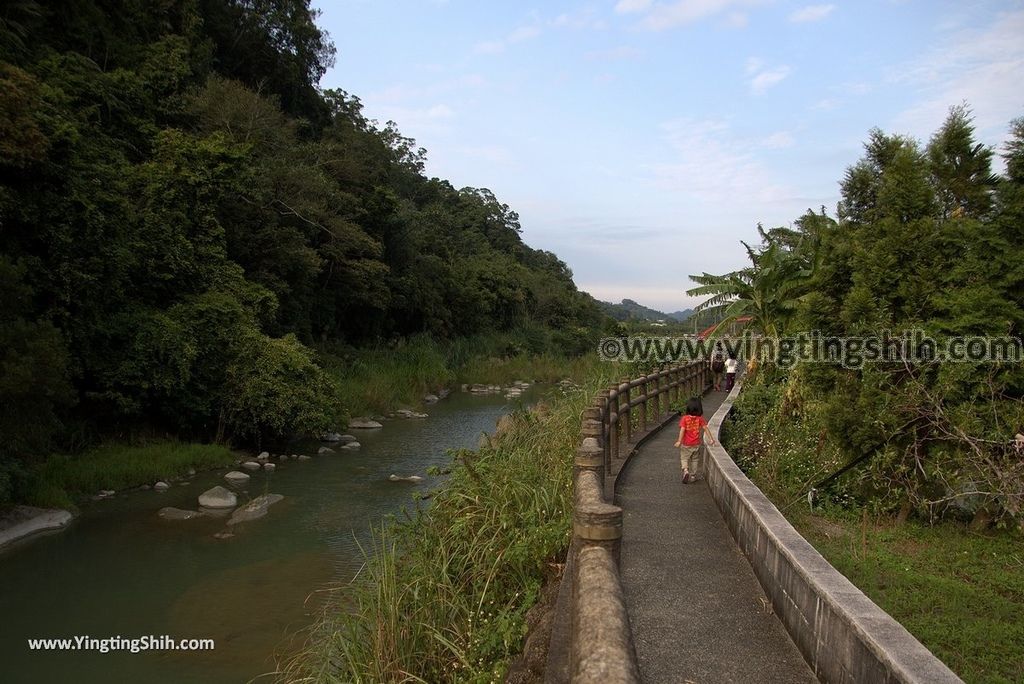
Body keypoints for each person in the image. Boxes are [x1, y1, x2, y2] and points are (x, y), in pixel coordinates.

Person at [674, 397, 716, 484]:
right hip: (696, 444)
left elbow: (682, 430)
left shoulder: (684, 418)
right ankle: (693, 475)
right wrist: (711, 439)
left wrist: (679, 441)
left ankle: (685, 470)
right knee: (695, 459)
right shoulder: (700, 419)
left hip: (686, 444)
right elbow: (705, 429)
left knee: (684, 458)